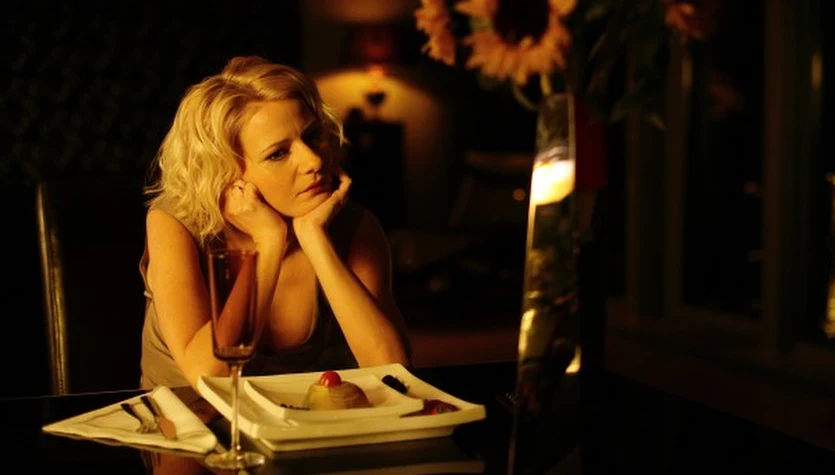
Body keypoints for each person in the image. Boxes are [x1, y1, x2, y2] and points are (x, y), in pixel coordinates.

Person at [138, 55, 411, 390]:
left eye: (312, 136)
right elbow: (207, 377)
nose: (313, 160)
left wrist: (314, 237)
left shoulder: (353, 227)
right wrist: (269, 242)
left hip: (298, 418)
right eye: (278, 153)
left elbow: (395, 371)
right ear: (226, 173)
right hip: (186, 417)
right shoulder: (175, 223)